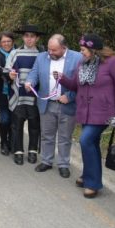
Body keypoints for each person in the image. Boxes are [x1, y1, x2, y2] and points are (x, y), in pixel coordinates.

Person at [57, 33, 115, 198]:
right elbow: (75, 85)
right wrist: (61, 78)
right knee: (91, 143)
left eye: (83, 49)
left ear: (94, 50)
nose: (81, 52)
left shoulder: (113, 63)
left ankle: (93, 183)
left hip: (103, 112)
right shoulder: (83, 63)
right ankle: (87, 175)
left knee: (86, 140)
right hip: (85, 112)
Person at [25, 35, 81, 178]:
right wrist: (30, 82)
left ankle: (63, 164)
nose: (50, 52)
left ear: (64, 47)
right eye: (49, 49)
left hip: (67, 105)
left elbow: (81, 83)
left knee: (65, 137)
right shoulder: (42, 57)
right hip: (47, 103)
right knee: (46, 135)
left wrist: (70, 96)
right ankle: (46, 161)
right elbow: (34, 73)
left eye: (54, 50)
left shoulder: (77, 58)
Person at [5, 24, 45, 165]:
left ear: (37, 38)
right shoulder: (15, 53)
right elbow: (7, 70)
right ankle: (18, 151)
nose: (29, 39)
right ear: (23, 37)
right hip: (19, 94)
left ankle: (32, 150)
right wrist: (9, 75)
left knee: (34, 125)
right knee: (17, 124)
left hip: (35, 96)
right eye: (26, 36)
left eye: (32, 36)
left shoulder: (42, 55)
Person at [0, 32, 15, 155]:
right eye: (3, 41)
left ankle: (12, 141)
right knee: (5, 119)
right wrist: (8, 74)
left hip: (16, 93)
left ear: (13, 42)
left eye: (8, 41)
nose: (6, 44)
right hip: (2, 92)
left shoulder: (18, 53)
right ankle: (4, 142)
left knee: (14, 119)